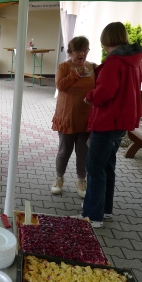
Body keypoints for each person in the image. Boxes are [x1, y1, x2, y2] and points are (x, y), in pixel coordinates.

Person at [79, 22, 142, 228]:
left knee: (95, 168)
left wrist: (89, 96)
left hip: (107, 121)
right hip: (120, 121)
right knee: (107, 167)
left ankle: (92, 216)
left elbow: (104, 93)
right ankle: (105, 210)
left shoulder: (114, 62)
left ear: (106, 40)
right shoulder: (133, 61)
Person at [51, 36, 96, 197]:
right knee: (64, 150)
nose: (82, 54)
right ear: (71, 52)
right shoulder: (64, 66)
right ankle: (59, 178)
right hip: (67, 117)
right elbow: (60, 86)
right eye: (78, 50)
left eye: (85, 50)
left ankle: (81, 179)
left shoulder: (93, 67)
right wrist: (75, 74)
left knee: (83, 151)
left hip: (86, 118)